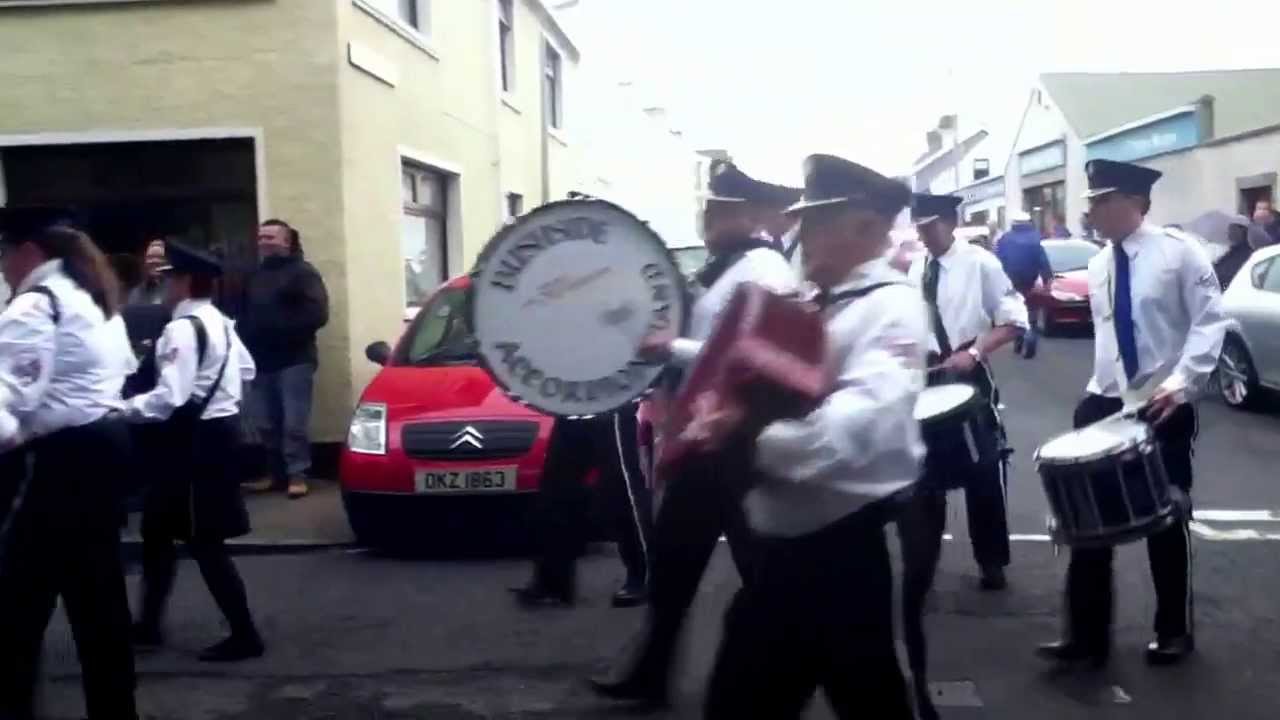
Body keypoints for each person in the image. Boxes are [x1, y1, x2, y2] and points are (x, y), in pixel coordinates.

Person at [699, 154, 925, 719]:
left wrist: (747, 439)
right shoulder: (822, 300)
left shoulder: (890, 308)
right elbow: (769, 370)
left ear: (868, 229)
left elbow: (855, 427)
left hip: (838, 549)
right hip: (790, 548)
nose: (804, 235)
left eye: (820, 222)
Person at [589, 161, 800, 707]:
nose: (707, 217)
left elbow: (753, 358)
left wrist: (670, 350)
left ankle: (788, 676)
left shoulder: (765, 273)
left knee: (764, 573)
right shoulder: (727, 267)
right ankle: (651, 672)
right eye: (708, 207)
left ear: (753, 216)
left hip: (740, 440)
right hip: (707, 440)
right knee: (676, 558)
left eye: (719, 209)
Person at [1037, 159, 1228, 668]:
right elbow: (1108, 339)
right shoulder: (1100, 264)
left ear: (1133, 203)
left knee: (1166, 520)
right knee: (1086, 525)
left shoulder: (1179, 254)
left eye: (1101, 200)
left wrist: (1182, 384)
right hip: (1103, 403)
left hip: (1161, 402)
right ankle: (1086, 636)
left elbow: (1210, 324)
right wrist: (1094, 399)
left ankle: (1173, 632)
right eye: (1091, 201)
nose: (1091, 210)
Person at [0, 207, 139, 720]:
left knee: (17, 604)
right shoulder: (93, 297)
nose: (2, 267)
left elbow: (6, 398)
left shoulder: (35, 306)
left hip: (56, 462)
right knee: (98, 597)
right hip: (102, 450)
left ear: (29, 251)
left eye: (3, 254)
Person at [901, 192, 1027, 718]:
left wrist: (973, 352)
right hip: (924, 377)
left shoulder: (981, 262)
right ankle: (921, 571)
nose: (925, 234)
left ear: (951, 223)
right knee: (923, 481)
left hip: (968, 376)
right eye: (920, 226)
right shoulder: (914, 267)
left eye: (931, 225)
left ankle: (992, 559)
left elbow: (1012, 318)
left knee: (982, 474)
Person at [124, 240, 265, 662]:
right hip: (215, 437)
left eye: (168, 279)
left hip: (190, 445)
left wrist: (122, 409)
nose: (164, 286)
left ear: (184, 282)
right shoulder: (220, 321)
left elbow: (170, 397)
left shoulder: (181, 329)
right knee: (157, 533)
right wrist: (222, 399)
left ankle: (245, 634)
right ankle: (148, 624)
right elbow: (246, 369)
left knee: (205, 542)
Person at [509, 404, 652, 609]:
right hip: (574, 399)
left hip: (614, 397)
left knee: (621, 486)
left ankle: (644, 575)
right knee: (557, 485)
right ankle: (553, 581)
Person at [238, 219, 329, 498]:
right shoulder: (255, 274)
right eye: (261, 237)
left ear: (287, 242)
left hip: (294, 360)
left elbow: (318, 314)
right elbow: (243, 312)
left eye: (271, 237)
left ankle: (297, 475)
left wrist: (278, 330)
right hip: (260, 360)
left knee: (293, 423)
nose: (264, 242)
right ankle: (275, 475)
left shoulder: (303, 273)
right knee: (265, 422)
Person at [996, 210, 1052, 358]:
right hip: (1029, 282)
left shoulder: (1004, 239)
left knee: (1015, 312)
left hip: (1010, 283)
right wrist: (1047, 280)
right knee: (1031, 312)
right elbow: (1043, 261)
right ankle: (1031, 335)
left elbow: (997, 262)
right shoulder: (1035, 239)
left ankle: (1019, 340)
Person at [128, 237, 169, 305]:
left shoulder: (173, 290)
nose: (155, 262)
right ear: (141, 260)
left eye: (160, 257)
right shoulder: (134, 292)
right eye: (150, 257)